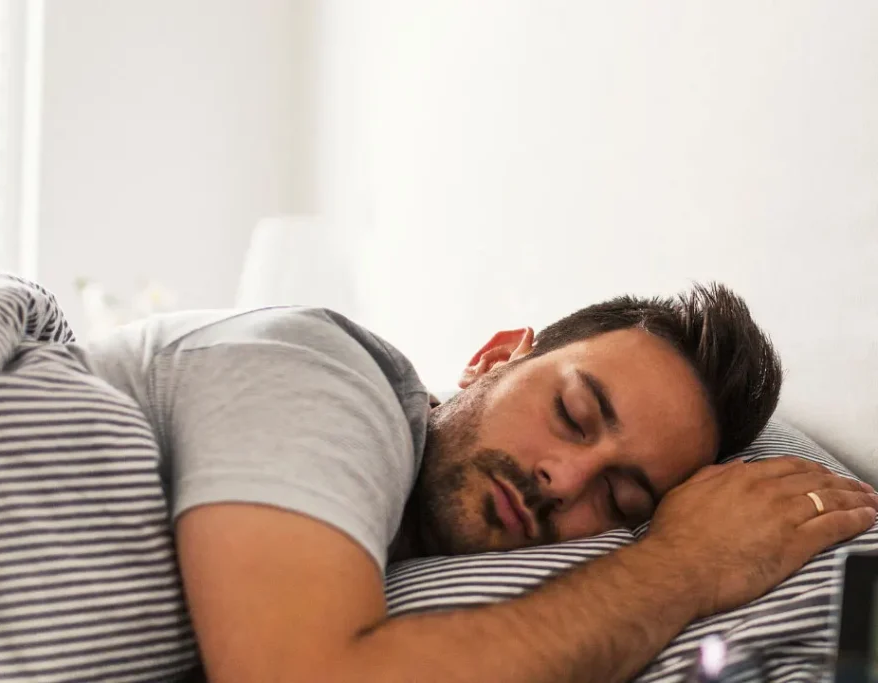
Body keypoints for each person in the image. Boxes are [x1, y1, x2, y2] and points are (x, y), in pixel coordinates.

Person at [74, 283, 878, 683]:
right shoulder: (329, 373)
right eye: (571, 410)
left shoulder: (378, 558)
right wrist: (685, 564)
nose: (563, 479)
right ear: (495, 356)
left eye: (621, 501)